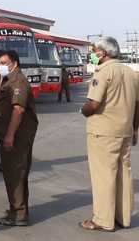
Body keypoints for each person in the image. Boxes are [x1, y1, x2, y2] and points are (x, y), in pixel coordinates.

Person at [79, 37, 139, 232]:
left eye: (95, 50)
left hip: (104, 132)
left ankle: (103, 220)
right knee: (123, 174)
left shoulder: (103, 71)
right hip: (124, 131)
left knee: (103, 176)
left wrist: (83, 110)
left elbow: (94, 104)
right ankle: (123, 217)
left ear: (103, 53)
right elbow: (137, 105)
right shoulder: (130, 73)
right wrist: (135, 129)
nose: (93, 54)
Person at [0, 50, 38, 227]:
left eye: (3, 62)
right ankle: (17, 209)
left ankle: (18, 214)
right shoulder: (7, 79)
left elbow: (18, 110)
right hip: (13, 134)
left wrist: (10, 136)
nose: (0, 66)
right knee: (14, 172)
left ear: (15, 63)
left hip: (17, 136)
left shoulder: (18, 81)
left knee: (15, 173)